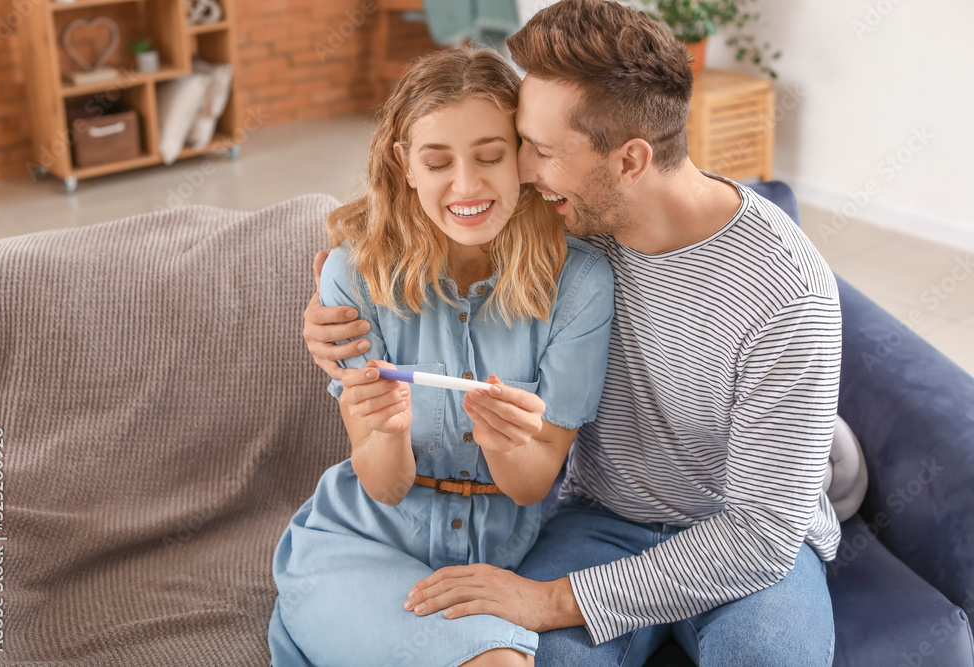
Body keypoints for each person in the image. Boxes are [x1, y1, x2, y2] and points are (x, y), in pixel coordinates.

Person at [302, 1, 843, 665]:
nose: (523, 172)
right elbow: (424, 215)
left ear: (630, 161)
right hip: (603, 521)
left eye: (543, 152)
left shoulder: (789, 297)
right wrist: (329, 305)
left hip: (744, 540)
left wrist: (555, 599)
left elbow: (761, 532)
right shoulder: (568, 224)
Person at [268, 46, 614, 667]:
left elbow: (534, 482)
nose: (467, 186)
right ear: (404, 164)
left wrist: (508, 442)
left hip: (499, 557)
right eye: (437, 162)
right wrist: (385, 430)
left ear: (523, 156)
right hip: (361, 546)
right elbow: (384, 484)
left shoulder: (580, 281)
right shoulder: (354, 274)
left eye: (490, 156)